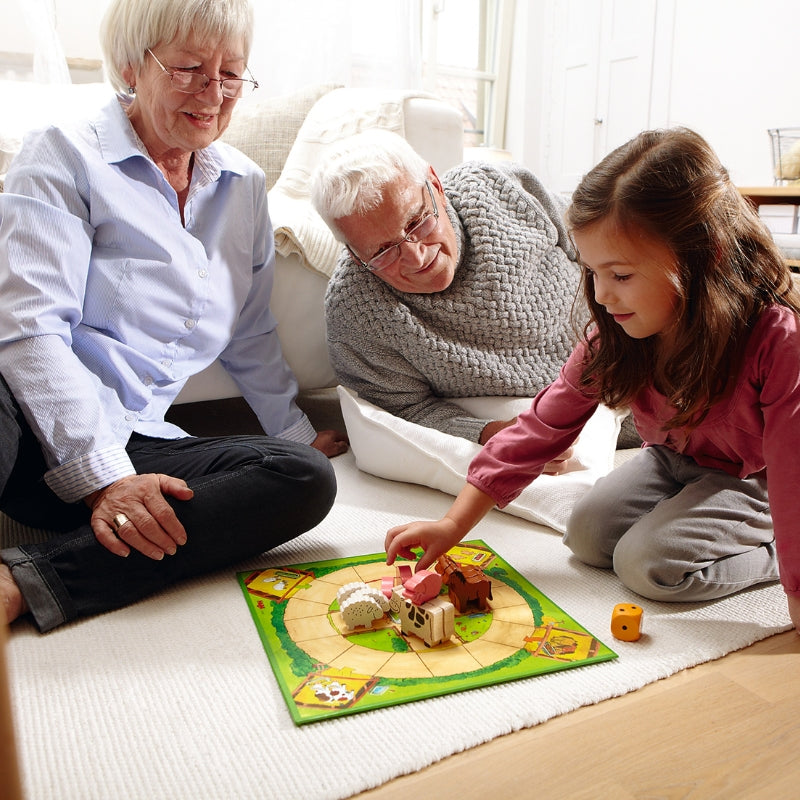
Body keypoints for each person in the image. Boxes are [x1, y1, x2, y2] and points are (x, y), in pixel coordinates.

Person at [0, 0, 347, 633]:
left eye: (231, 73)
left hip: (136, 436)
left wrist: (296, 433)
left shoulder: (242, 185)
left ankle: (28, 581)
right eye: (189, 68)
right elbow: (29, 329)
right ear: (132, 68)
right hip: (28, 422)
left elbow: (249, 332)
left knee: (305, 479)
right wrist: (103, 480)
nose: (213, 93)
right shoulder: (63, 156)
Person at [384, 127, 800, 633]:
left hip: (754, 478)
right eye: (593, 273)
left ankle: (772, 552)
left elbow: (791, 474)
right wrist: (453, 525)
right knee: (586, 534)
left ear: (702, 256)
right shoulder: (620, 334)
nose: (602, 296)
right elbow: (538, 429)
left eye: (621, 276)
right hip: (671, 460)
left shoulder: (775, 337)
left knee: (648, 567)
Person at [312, 129, 597, 458]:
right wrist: (488, 433)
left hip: (633, 341)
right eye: (382, 251)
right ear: (353, 253)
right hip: (576, 419)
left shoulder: (492, 186)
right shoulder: (355, 313)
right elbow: (405, 411)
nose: (417, 257)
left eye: (417, 222)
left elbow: (589, 240)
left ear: (435, 185)